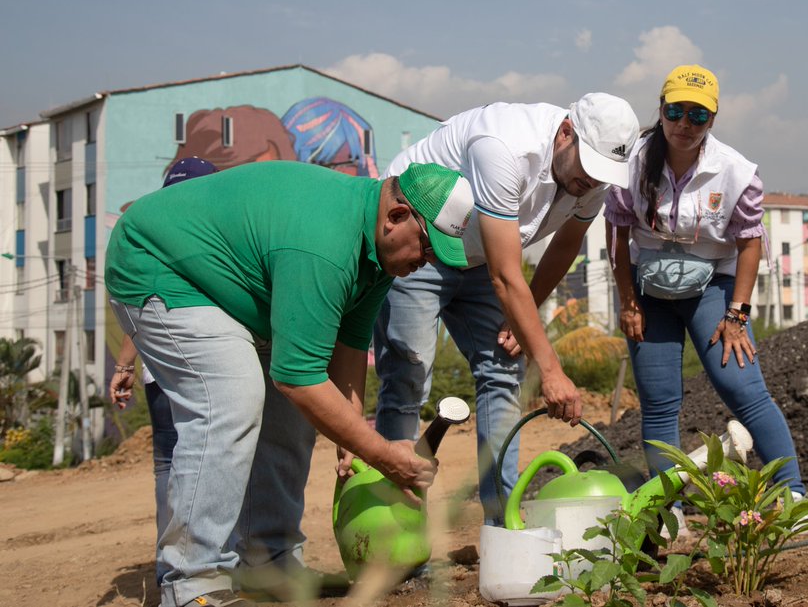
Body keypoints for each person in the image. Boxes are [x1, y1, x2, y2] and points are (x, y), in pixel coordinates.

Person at [106, 159, 474, 607]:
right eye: (427, 248)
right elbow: (298, 379)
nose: (425, 263)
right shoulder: (324, 246)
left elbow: (348, 345)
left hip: (233, 288)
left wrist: (351, 441)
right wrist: (381, 455)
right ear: (396, 216)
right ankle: (192, 581)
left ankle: (268, 563)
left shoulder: (378, 256)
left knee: (294, 419)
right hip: (158, 266)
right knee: (231, 397)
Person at [372, 93, 640, 523]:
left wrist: (524, 315)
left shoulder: (592, 179)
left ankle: (503, 522)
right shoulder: (504, 147)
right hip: (419, 241)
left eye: (603, 173)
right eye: (589, 167)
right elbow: (504, 274)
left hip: (483, 255)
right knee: (408, 372)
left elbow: (565, 245)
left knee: (502, 370)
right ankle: (392, 523)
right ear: (566, 133)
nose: (593, 181)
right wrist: (550, 369)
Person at [604, 65, 806, 500]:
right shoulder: (630, 164)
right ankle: (666, 509)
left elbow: (749, 244)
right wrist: (627, 300)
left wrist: (737, 314)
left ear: (712, 118)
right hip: (648, 287)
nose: (685, 124)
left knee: (740, 386)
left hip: (714, 283)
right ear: (661, 110)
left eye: (698, 115)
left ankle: (793, 494)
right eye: (675, 112)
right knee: (659, 399)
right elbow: (617, 235)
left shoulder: (735, 171)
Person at [108, 156, 219, 587]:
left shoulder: (148, 236)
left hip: (159, 368)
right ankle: (208, 564)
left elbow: (140, 305)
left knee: (168, 464)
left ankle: (168, 568)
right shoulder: (212, 235)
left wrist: (125, 364)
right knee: (215, 457)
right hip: (207, 366)